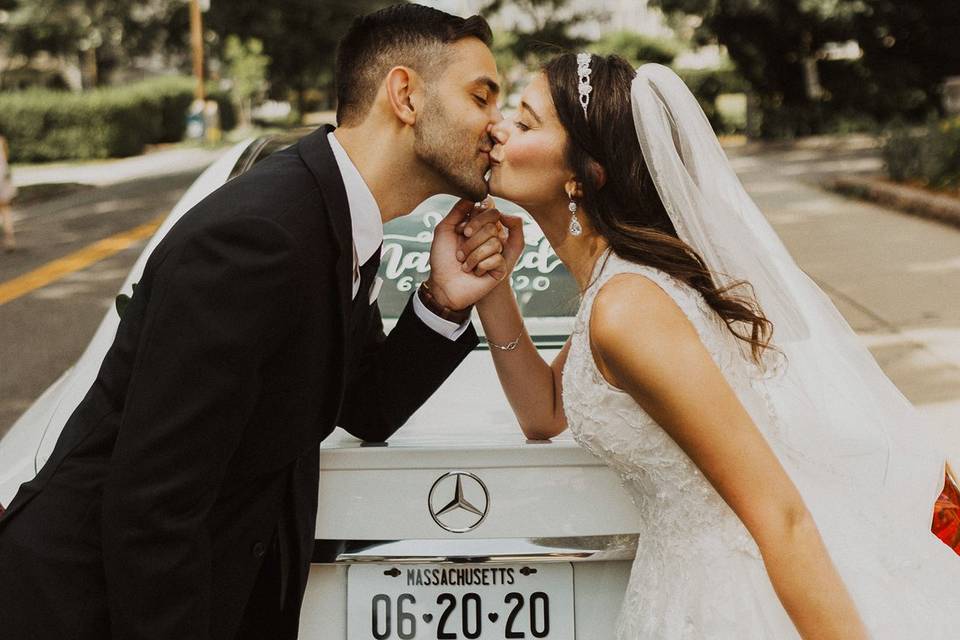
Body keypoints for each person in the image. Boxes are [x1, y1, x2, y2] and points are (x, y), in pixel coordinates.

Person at [0, 5, 522, 640]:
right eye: (482, 97)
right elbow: (155, 504)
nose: (497, 128)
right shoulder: (260, 236)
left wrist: (442, 299)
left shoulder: (337, 220)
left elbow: (364, 405)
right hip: (83, 611)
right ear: (405, 95)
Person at [463, 53, 960, 638]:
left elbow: (781, 515)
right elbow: (544, 413)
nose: (498, 129)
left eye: (525, 123)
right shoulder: (612, 286)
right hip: (682, 583)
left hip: (740, 596)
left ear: (584, 173)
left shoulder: (628, 306)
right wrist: (491, 288)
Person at [0, 134, 16, 252]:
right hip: (3, 177)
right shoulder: (2, 140)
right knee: (5, 209)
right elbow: (5, 158)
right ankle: (9, 238)